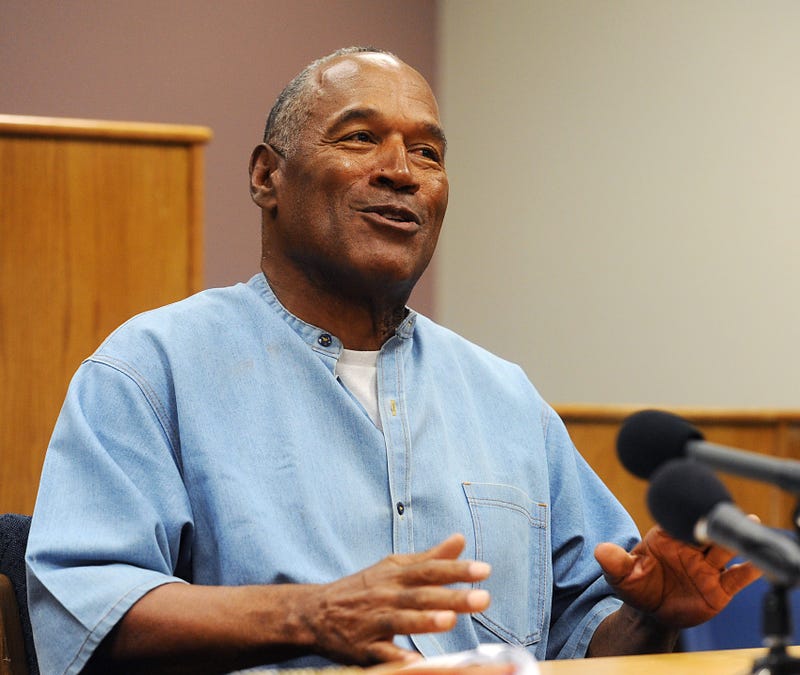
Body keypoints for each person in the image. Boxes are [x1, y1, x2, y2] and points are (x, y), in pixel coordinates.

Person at [26, 46, 759, 675]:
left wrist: (653, 616)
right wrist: (310, 614)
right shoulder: (152, 369)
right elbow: (85, 610)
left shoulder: (504, 397)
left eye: (428, 152)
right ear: (265, 178)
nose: (402, 171)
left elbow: (579, 637)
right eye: (359, 138)